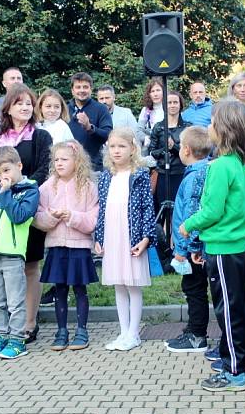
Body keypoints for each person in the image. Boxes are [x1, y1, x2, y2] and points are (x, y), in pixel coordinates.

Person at [178, 99, 245, 392]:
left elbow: (212, 210)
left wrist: (188, 225)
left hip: (223, 248)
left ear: (223, 130)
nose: (207, 126)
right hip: (238, 246)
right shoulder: (240, 163)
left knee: (227, 312)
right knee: (239, 308)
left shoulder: (221, 166)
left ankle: (234, 371)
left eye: (211, 122)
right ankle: (244, 365)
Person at [0, 83, 52, 342]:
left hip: (27, 209)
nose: (25, 107)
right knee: (2, 268)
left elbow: (44, 169)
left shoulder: (41, 137)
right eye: (19, 102)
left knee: (29, 266)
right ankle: (7, 324)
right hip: (1, 214)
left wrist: (20, 192)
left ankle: (28, 324)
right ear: (8, 108)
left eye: (29, 103)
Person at [95, 127, 157, 351]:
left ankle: (133, 333)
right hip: (112, 235)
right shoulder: (106, 177)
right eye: (112, 146)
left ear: (132, 149)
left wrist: (146, 238)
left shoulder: (139, 175)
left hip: (131, 236)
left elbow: (147, 209)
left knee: (132, 284)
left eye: (122, 146)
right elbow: (101, 209)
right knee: (118, 284)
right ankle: (123, 333)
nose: (116, 151)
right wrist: (99, 237)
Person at [34, 141, 99, 350]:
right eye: (56, 160)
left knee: (80, 288)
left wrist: (72, 216)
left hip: (79, 246)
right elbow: (37, 217)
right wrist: (51, 218)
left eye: (64, 159)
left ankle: (82, 330)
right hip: (56, 245)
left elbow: (93, 220)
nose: (59, 163)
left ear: (77, 161)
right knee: (59, 288)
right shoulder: (47, 187)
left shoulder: (88, 187)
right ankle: (61, 331)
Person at [0, 146, 40, 360]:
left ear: (19, 166)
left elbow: (19, 216)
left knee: (15, 302)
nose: (2, 176)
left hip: (13, 256)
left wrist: (7, 195)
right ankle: (1, 337)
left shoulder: (30, 191)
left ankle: (17, 340)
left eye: (6, 170)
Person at [164, 126, 212, 353]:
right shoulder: (207, 171)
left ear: (185, 150)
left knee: (194, 290)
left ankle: (197, 335)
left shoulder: (193, 177)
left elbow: (190, 215)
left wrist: (182, 249)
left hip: (193, 248)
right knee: (197, 289)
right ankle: (194, 329)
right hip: (201, 246)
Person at [149, 91, 192, 215]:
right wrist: (165, 150)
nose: (172, 105)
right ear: (164, 105)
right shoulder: (158, 127)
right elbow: (152, 152)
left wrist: (174, 147)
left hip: (181, 173)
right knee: (162, 211)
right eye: (169, 102)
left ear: (180, 105)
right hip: (163, 173)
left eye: (175, 102)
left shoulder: (188, 127)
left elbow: (191, 152)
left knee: (179, 210)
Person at [67, 73, 113, 171]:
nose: (82, 90)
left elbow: (108, 134)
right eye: (78, 87)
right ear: (72, 90)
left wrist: (90, 128)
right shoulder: (65, 110)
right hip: (68, 165)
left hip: (93, 166)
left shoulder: (101, 109)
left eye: (85, 87)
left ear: (91, 89)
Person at [0, 67, 23, 136]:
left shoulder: (31, 102)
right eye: (12, 78)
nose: (16, 81)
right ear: (4, 83)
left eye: (19, 78)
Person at [136, 78, 165, 151]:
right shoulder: (145, 110)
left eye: (158, 90)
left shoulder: (169, 108)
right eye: (152, 91)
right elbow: (138, 129)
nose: (155, 94)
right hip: (150, 148)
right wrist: (144, 137)